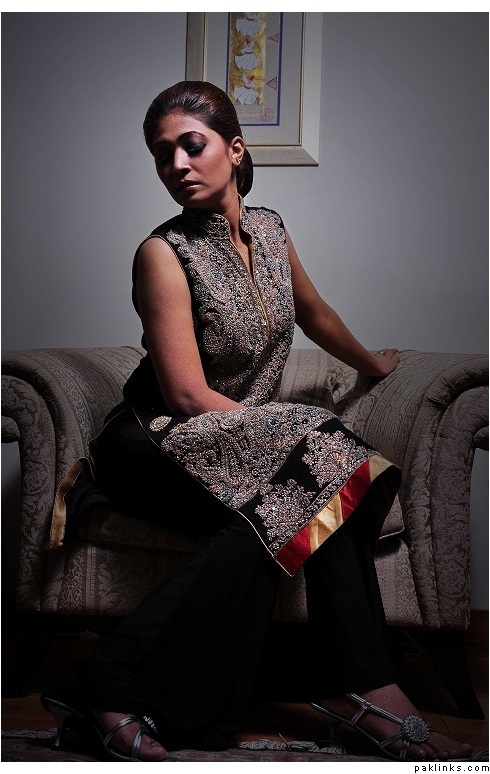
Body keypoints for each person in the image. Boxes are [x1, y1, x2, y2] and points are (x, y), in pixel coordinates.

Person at [40, 80, 472, 763]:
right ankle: (367, 696)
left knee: (315, 484)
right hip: (156, 442)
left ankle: (108, 681)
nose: (177, 164)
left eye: (192, 145)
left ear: (236, 150)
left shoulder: (270, 230)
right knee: (325, 458)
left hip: (238, 438)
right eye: (162, 154)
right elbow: (186, 397)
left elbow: (315, 313)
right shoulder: (162, 253)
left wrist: (375, 364)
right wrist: (294, 436)